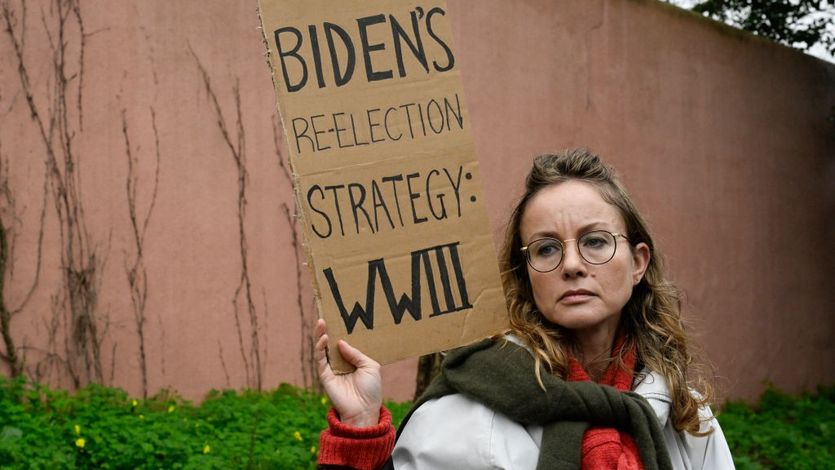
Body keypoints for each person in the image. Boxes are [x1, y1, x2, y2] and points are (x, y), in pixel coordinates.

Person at [314, 149, 735, 470]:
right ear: (526, 273)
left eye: (595, 242)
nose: (571, 265)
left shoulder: (688, 419)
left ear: (638, 262)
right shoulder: (463, 416)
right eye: (547, 248)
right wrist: (360, 430)